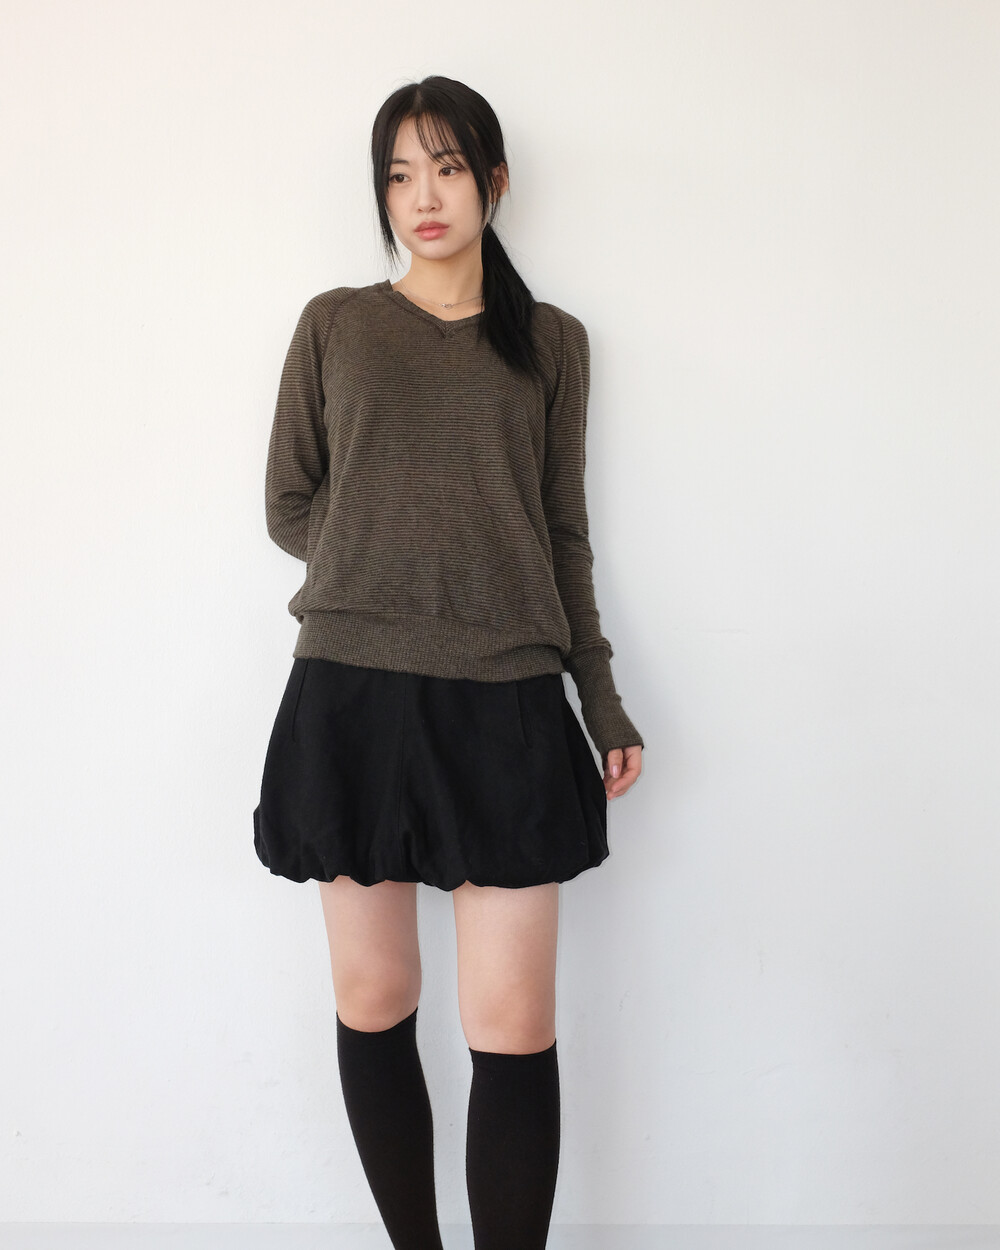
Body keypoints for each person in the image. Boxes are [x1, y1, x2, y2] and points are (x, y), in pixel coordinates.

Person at [252, 74, 644, 1249]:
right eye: (398, 174)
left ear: (494, 181)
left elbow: (561, 533)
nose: (422, 196)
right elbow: (289, 501)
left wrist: (602, 701)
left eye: (448, 167)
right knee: (376, 997)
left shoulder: (552, 343)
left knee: (511, 1022)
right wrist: (387, 561)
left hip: (507, 699)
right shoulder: (336, 323)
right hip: (351, 691)